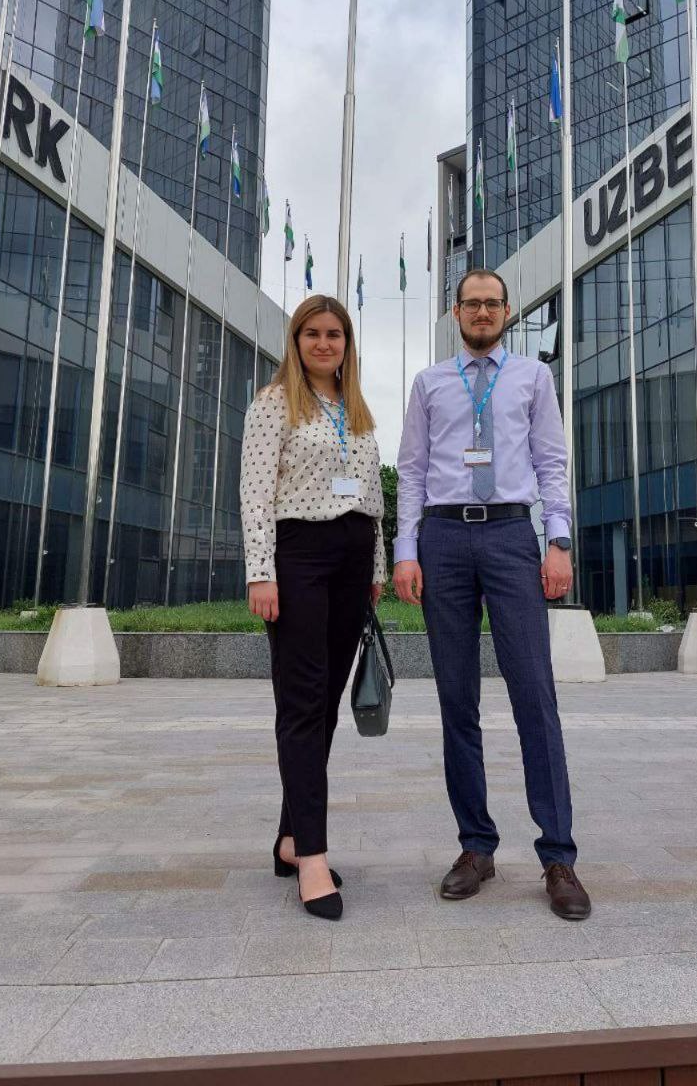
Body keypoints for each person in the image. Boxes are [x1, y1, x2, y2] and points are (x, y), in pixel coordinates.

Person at [393, 269, 590, 921]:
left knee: (535, 694)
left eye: (492, 303)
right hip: (445, 541)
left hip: (510, 536)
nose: (482, 312)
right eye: (472, 303)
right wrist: (406, 550)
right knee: (457, 700)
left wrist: (557, 540)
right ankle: (476, 846)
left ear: (507, 311)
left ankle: (558, 856)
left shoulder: (533, 378)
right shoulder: (430, 383)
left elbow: (552, 461)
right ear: (456, 313)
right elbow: (413, 470)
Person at [240, 295, 386, 921]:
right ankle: (314, 859)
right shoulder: (275, 402)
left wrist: (376, 568)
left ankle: (290, 837)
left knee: (324, 704)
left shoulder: (356, 409)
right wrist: (260, 572)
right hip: (298, 555)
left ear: (347, 344)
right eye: (313, 334)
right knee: (301, 702)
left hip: (354, 558)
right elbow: (254, 492)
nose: (325, 344)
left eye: (335, 334)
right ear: (296, 341)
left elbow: (373, 495)